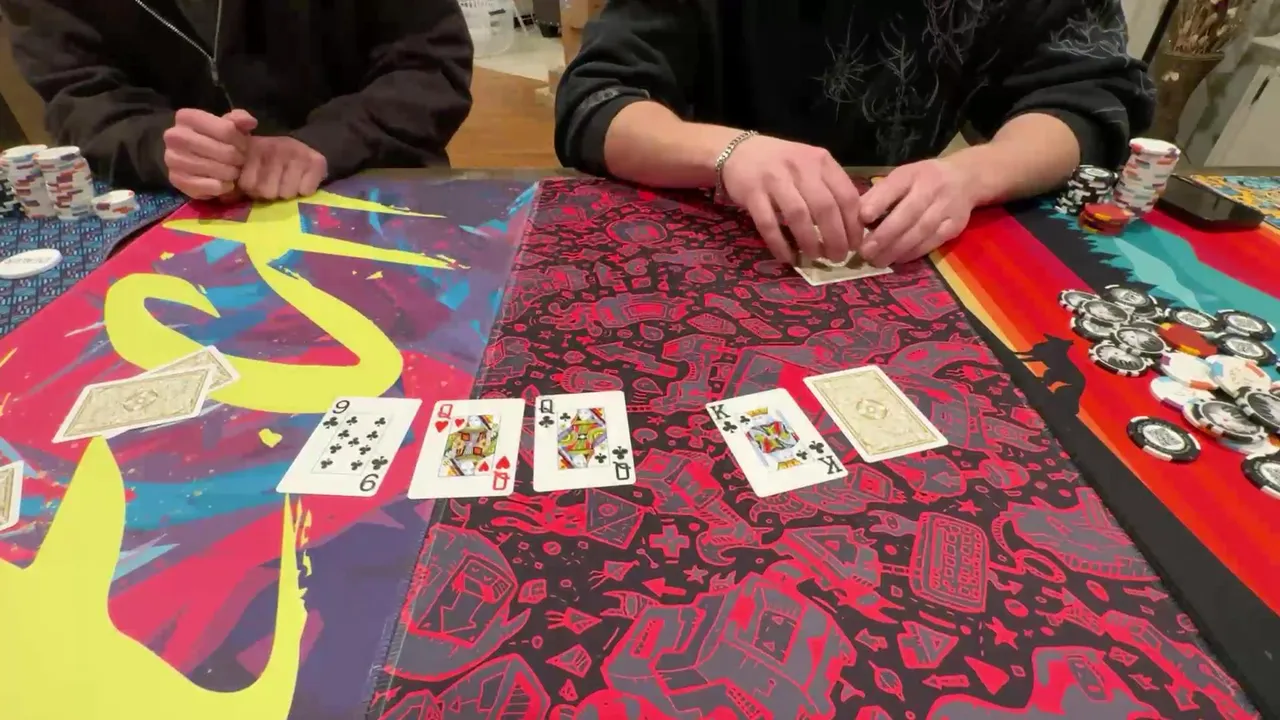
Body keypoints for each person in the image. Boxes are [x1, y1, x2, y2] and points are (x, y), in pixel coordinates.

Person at [555, 0, 1155, 268]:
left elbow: (1088, 98)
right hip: (709, 230)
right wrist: (729, 151)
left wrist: (973, 175)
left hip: (901, 243)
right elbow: (597, 103)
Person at [0, 0, 474, 201]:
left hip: (378, 187)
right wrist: (162, 146)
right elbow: (80, 98)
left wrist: (326, 142)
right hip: (172, 212)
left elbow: (430, 65)